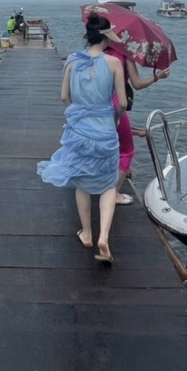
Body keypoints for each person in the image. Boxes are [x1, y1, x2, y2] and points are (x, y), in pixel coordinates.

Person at [37, 14, 128, 264]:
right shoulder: (113, 63)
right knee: (109, 183)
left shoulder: (72, 62)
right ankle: (104, 238)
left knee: (81, 181)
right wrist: (114, 116)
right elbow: (122, 103)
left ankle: (87, 233)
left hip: (79, 130)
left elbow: (64, 96)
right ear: (108, 37)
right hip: (105, 129)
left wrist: (82, 108)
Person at [105, 44, 171, 205]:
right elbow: (137, 84)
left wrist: (135, 131)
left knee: (107, 143)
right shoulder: (124, 55)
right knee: (127, 151)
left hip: (95, 105)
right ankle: (114, 194)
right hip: (115, 104)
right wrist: (158, 77)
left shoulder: (98, 53)